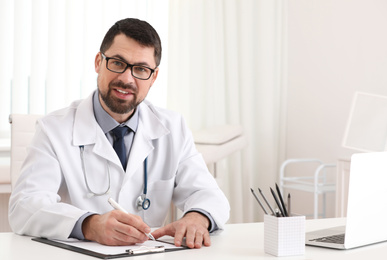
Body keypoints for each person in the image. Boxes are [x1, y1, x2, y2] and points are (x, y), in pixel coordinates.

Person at [8, 18, 230, 249]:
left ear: (153, 77)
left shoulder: (172, 127)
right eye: (117, 63)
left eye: (141, 69)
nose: (126, 78)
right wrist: (90, 225)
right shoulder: (53, 129)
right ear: (98, 62)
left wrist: (196, 217)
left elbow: (208, 194)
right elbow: (24, 206)